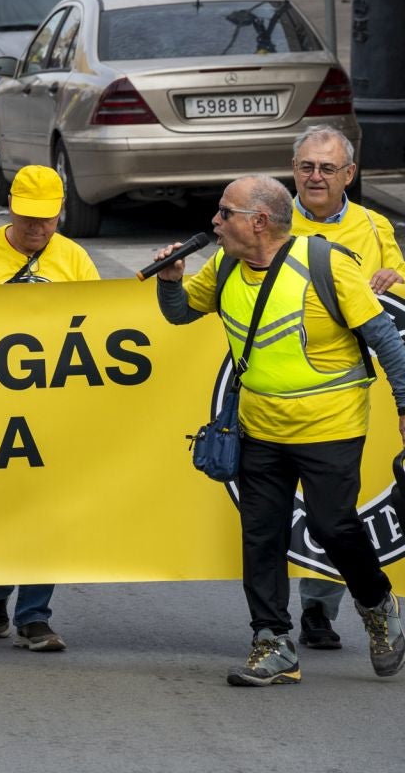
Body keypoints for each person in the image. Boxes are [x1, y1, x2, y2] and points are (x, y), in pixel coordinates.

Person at [154, 175, 405, 686]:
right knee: (261, 535)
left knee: (333, 527)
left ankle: (377, 603)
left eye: (225, 213)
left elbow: (385, 338)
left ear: (259, 222)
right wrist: (170, 279)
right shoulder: (225, 265)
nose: (215, 222)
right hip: (260, 428)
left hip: (330, 426)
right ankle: (272, 642)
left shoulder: (325, 264)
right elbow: (180, 314)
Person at [0, 163, 98, 652]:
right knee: (0, 508)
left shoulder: (74, 260)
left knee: (46, 509)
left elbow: (103, 327)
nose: (36, 228)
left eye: (46, 219)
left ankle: (35, 614)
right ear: (10, 209)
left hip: (55, 409)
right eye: (28, 217)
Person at [285, 125, 405, 645]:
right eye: (307, 167)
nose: (315, 177)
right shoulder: (266, 216)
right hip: (278, 387)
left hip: (351, 390)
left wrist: (394, 281)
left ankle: (318, 607)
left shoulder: (375, 228)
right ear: (294, 170)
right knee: (277, 506)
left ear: (349, 175)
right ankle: (270, 624)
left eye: (327, 168)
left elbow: (399, 296)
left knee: (339, 504)